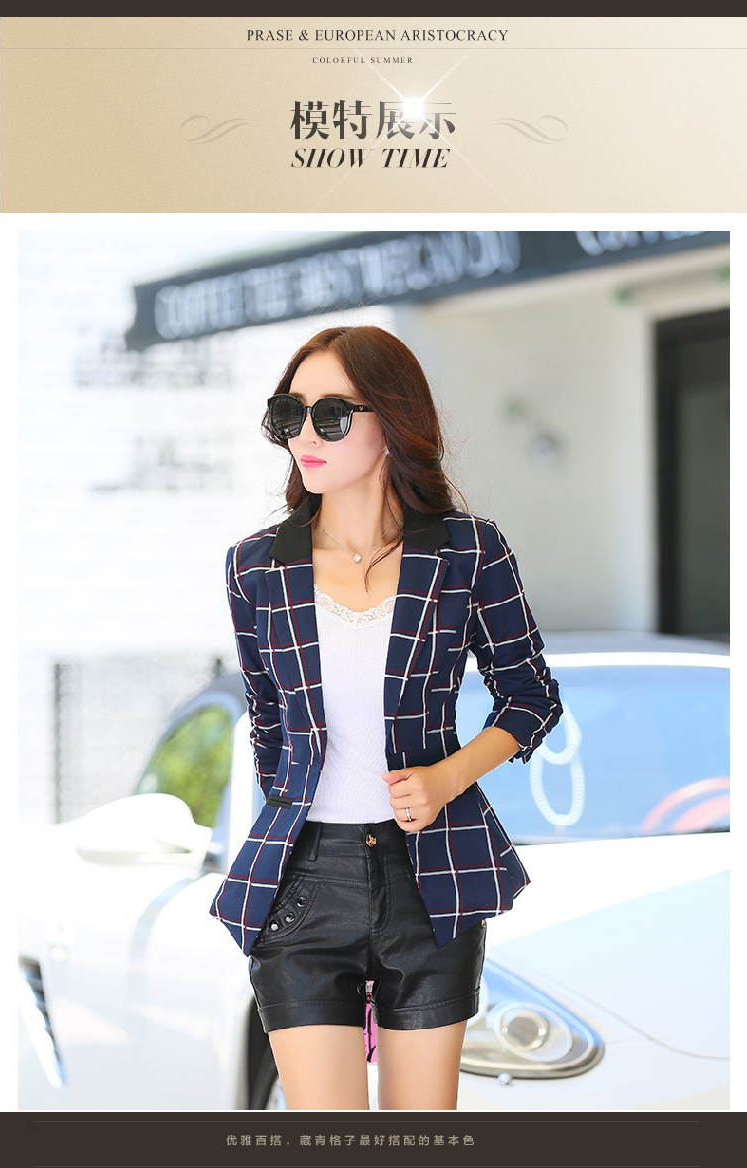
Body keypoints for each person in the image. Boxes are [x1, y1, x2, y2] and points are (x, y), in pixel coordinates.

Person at [210, 324, 562, 1110]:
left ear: (392, 420)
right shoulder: (256, 566)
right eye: (289, 414)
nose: (305, 434)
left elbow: (531, 695)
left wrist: (446, 778)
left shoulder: (468, 551)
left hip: (429, 873)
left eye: (330, 414)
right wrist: (300, 799)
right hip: (305, 879)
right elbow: (269, 722)